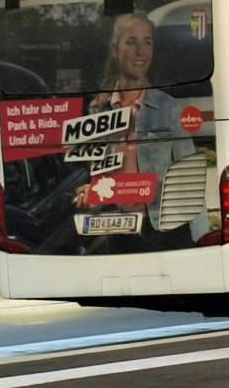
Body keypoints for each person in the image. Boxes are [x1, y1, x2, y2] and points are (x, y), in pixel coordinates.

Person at [73, 13, 204, 243]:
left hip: (162, 232)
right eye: (131, 42)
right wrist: (86, 192)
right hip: (112, 231)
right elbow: (86, 172)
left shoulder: (169, 107)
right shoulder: (96, 110)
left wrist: (203, 237)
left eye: (147, 42)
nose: (141, 51)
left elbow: (189, 178)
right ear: (115, 50)